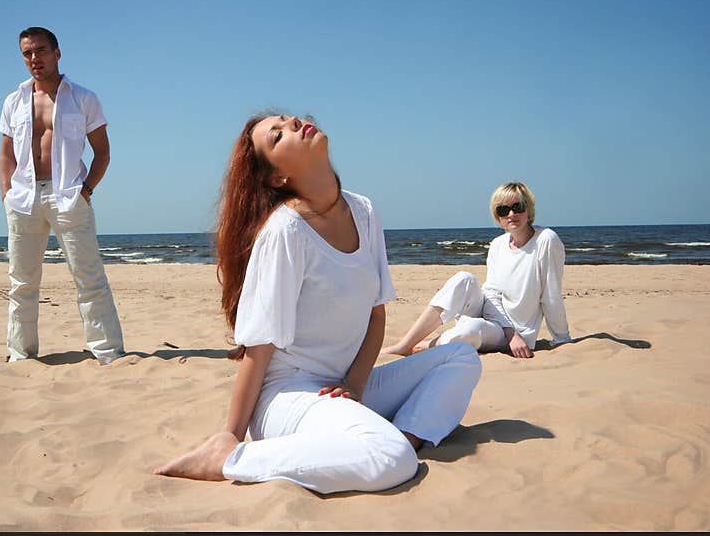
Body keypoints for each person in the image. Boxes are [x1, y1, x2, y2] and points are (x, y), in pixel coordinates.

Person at [154, 112, 482, 494]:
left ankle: (404, 437)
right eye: (276, 136)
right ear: (277, 177)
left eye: (286, 118)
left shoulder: (364, 211)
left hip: (341, 388)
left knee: (459, 357)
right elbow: (258, 349)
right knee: (390, 458)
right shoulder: (285, 231)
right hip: (290, 397)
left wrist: (355, 386)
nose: (293, 122)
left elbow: (376, 314)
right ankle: (227, 461)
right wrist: (231, 435)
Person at [0, 26, 124, 364]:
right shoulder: (13, 101)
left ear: (57, 53)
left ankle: (107, 351)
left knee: (89, 276)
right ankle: (20, 353)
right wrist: (6, 194)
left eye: (40, 50)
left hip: (68, 195)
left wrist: (86, 191)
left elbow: (103, 152)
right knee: (22, 282)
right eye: (27, 53)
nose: (34, 58)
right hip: (23, 198)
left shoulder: (83, 98)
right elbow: (6, 155)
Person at [382, 181, 571, 359]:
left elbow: (551, 295)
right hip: (495, 318)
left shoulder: (546, 240)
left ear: (528, 209)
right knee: (464, 278)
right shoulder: (498, 244)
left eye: (518, 207)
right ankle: (405, 345)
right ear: (497, 216)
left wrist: (562, 339)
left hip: (514, 332)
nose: (511, 214)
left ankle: (429, 344)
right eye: (504, 210)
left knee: (470, 329)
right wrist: (509, 331)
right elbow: (491, 292)